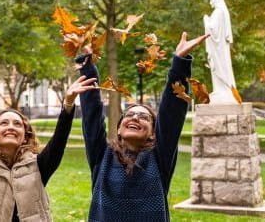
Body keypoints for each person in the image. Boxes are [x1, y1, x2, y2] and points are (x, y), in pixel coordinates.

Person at [77, 32, 209, 221]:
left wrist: (179, 63)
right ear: (119, 130)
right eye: (129, 115)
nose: (135, 118)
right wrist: (88, 66)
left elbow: (171, 114)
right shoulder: (102, 155)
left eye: (143, 117)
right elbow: (91, 115)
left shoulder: (159, 156)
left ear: (152, 133)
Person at [0, 75, 95, 221]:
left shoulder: (39, 165)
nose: (11, 127)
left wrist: (68, 104)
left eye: (17, 124)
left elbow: (58, 142)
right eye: (4, 123)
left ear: (24, 136)